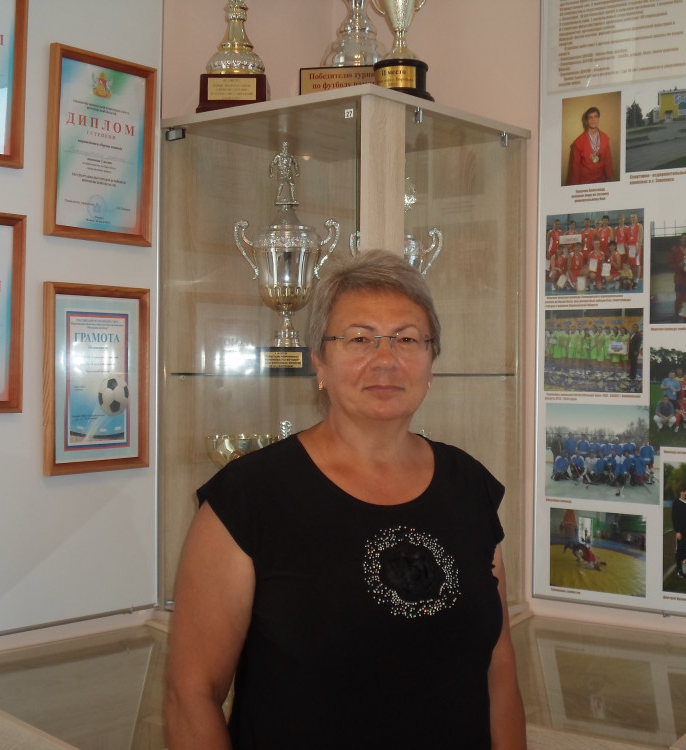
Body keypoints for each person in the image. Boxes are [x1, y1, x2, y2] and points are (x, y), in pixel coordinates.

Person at [164, 250, 526, 749]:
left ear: (431, 362)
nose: (386, 360)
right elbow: (190, 697)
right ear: (320, 362)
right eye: (359, 339)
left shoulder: (470, 486)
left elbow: (499, 671)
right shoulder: (248, 497)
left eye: (407, 339)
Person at [567, 106, 614, 185]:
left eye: (595, 116)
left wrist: (608, 177)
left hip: (600, 180)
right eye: (590, 117)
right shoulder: (578, 142)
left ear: (598, 118)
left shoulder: (605, 138)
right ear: (586, 121)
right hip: (584, 182)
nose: (593, 119)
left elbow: (607, 161)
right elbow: (575, 168)